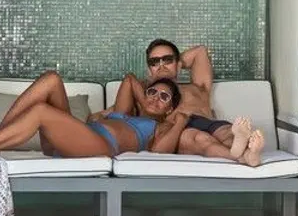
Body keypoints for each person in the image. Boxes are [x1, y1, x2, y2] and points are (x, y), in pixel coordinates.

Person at [0, 69, 260, 169]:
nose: (157, 98)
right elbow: (130, 80)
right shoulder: (120, 110)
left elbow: (160, 153)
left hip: (100, 146)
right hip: (78, 136)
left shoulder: (164, 125)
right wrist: (138, 98)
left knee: (42, 112)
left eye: (164, 97)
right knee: (51, 80)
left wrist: (179, 119)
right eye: (153, 92)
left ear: (170, 108)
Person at [112, 40, 263, 160]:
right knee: (202, 140)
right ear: (149, 70)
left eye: (167, 60)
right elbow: (117, 115)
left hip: (208, 122)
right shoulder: (146, 94)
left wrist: (174, 65)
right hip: (180, 130)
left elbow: (200, 52)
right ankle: (244, 156)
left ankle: (246, 153)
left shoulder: (197, 87)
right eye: (154, 62)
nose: (161, 66)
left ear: (178, 65)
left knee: (229, 133)